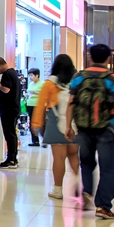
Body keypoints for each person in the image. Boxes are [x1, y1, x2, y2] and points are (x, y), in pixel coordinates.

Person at [68, 44, 114, 219]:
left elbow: (71, 102)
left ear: (90, 57)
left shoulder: (79, 77)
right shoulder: (113, 78)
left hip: (83, 127)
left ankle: (87, 191)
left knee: (86, 163)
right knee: (108, 167)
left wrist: (68, 126)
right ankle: (103, 206)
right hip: (106, 128)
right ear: (108, 58)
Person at [32, 54, 79, 199]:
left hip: (56, 123)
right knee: (73, 155)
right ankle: (78, 186)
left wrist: (36, 124)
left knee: (59, 158)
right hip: (74, 124)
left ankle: (58, 190)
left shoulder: (50, 84)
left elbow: (40, 105)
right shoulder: (76, 82)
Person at [0, 57, 22, 169]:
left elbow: (6, 89)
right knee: (11, 133)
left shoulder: (7, 74)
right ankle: (12, 158)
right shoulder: (13, 73)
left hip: (9, 109)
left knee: (9, 134)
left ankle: (11, 159)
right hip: (13, 108)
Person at [24, 68, 44, 147]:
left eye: (32, 75)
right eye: (29, 75)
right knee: (32, 123)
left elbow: (44, 94)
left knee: (40, 123)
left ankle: (44, 139)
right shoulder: (31, 84)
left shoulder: (42, 84)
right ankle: (35, 141)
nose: (30, 77)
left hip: (38, 105)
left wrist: (35, 92)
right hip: (30, 104)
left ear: (37, 75)